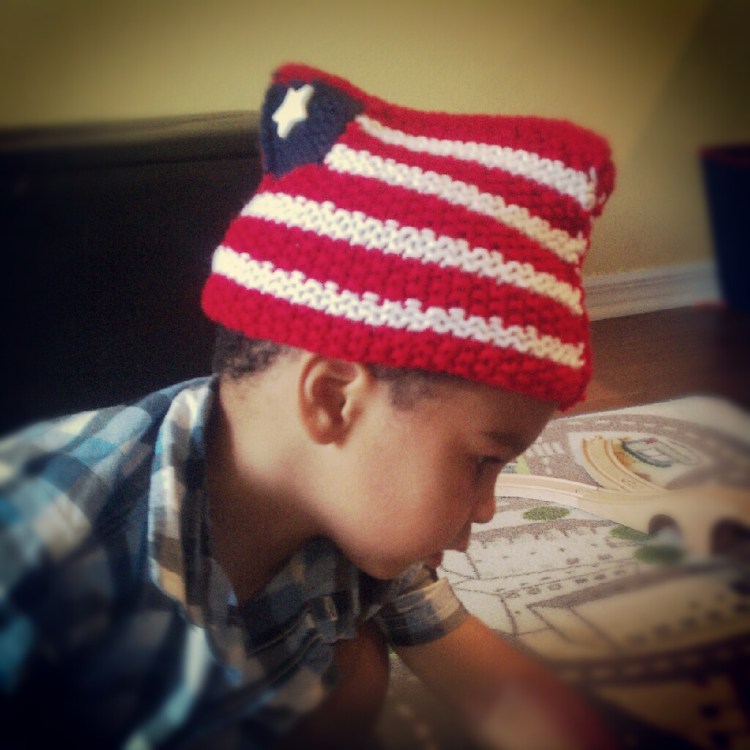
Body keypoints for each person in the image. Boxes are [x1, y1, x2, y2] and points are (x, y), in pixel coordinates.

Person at [0, 63, 616, 749]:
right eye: (483, 461)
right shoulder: (44, 540)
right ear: (332, 398)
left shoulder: (350, 515)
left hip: (256, 695)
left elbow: (499, 693)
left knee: (354, 669)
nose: (487, 509)